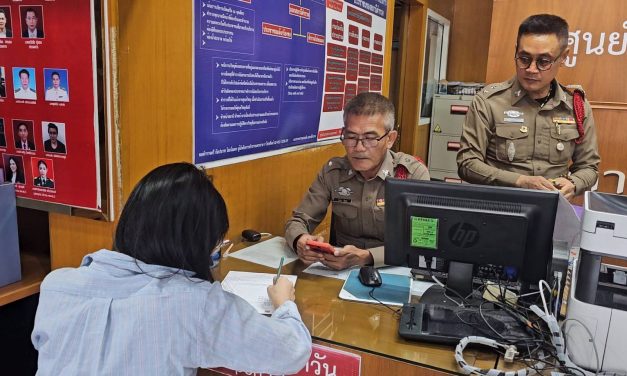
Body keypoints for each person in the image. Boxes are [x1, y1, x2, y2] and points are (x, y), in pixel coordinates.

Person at [32, 162, 312, 375]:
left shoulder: (56, 285)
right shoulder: (194, 303)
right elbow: (291, 352)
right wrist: (284, 303)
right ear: (194, 243)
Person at [457, 14, 600, 202]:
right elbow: (467, 164)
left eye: (543, 61)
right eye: (524, 58)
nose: (532, 69)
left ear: (563, 57)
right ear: (516, 51)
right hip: (498, 209)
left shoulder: (576, 106)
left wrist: (574, 183)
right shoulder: (489, 102)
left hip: (551, 211)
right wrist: (520, 181)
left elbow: (589, 167)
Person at [285, 92, 430, 270]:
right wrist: (301, 240)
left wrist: (367, 257)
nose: (359, 148)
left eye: (370, 138)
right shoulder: (333, 173)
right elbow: (298, 220)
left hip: (395, 269)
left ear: (390, 139)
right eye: (351, 137)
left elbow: (423, 243)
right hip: (339, 270)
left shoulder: (412, 175)